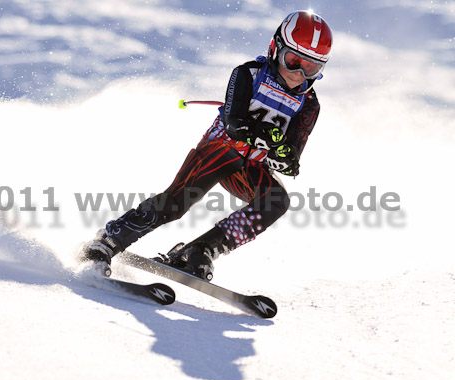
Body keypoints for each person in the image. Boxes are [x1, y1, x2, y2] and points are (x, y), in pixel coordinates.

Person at [82, 10, 333, 281]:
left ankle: (201, 250)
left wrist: (284, 156)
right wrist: (264, 135)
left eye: (311, 68)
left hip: (249, 167)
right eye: (293, 61)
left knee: (277, 201)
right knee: (176, 204)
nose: (298, 74)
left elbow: (292, 156)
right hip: (220, 150)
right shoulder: (248, 73)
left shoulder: (309, 104)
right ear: (275, 49)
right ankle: (110, 238)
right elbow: (234, 124)